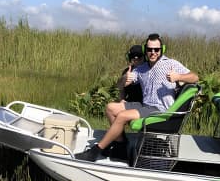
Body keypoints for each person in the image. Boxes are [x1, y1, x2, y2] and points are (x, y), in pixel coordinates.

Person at [75, 33, 199, 162]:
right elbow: (120, 85)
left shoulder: (170, 64)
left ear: (162, 50)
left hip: (159, 109)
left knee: (123, 116)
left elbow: (195, 77)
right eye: (150, 49)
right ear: (146, 49)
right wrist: (124, 79)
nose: (153, 52)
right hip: (145, 105)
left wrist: (179, 77)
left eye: (156, 49)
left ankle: (95, 151)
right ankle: (121, 145)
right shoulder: (141, 68)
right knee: (111, 108)